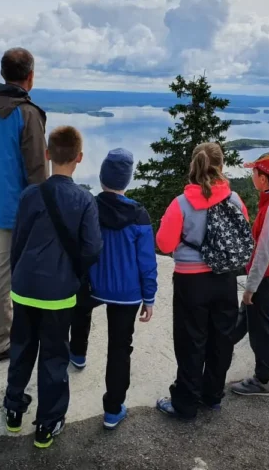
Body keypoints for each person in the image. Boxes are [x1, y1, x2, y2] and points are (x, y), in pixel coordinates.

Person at [3, 126, 102, 449]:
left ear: (47, 155)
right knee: (54, 357)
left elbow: (17, 243)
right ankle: (47, 424)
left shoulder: (31, 195)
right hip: (59, 294)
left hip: (24, 287)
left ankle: (14, 411)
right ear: (79, 158)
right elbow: (92, 248)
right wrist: (74, 275)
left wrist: (20, 273)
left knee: (21, 348)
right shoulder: (85, 200)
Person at [154, 143, 247, 419]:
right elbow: (242, 235)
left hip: (190, 283)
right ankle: (213, 395)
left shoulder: (181, 203)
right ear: (220, 165)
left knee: (190, 342)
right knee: (221, 340)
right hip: (225, 279)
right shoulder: (234, 199)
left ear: (194, 165)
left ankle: (185, 403)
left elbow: (164, 243)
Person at [0, 47, 48, 364]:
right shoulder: (27, 114)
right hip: (16, 207)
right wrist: (43, 211)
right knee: (5, 267)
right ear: (30, 76)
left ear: (3, 74)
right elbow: (38, 171)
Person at [68, 148, 158, 430]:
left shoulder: (89, 207)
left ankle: (78, 354)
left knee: (80, 310)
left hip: (94, 284)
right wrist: (149, 297)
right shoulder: (139, 215)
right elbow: (147, 262)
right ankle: (113, 408)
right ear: (127, 180)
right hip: (127, 293)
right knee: (120, 348)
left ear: (102, 176)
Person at [231, 153, 269, 397]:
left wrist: (251, 287)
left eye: (255, 172)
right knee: (245, 318)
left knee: (259, 327)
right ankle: (219, 350)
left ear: (264, 179)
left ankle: (262, 378)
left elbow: (265, 250)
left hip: (265, 277)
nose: (252, 176)